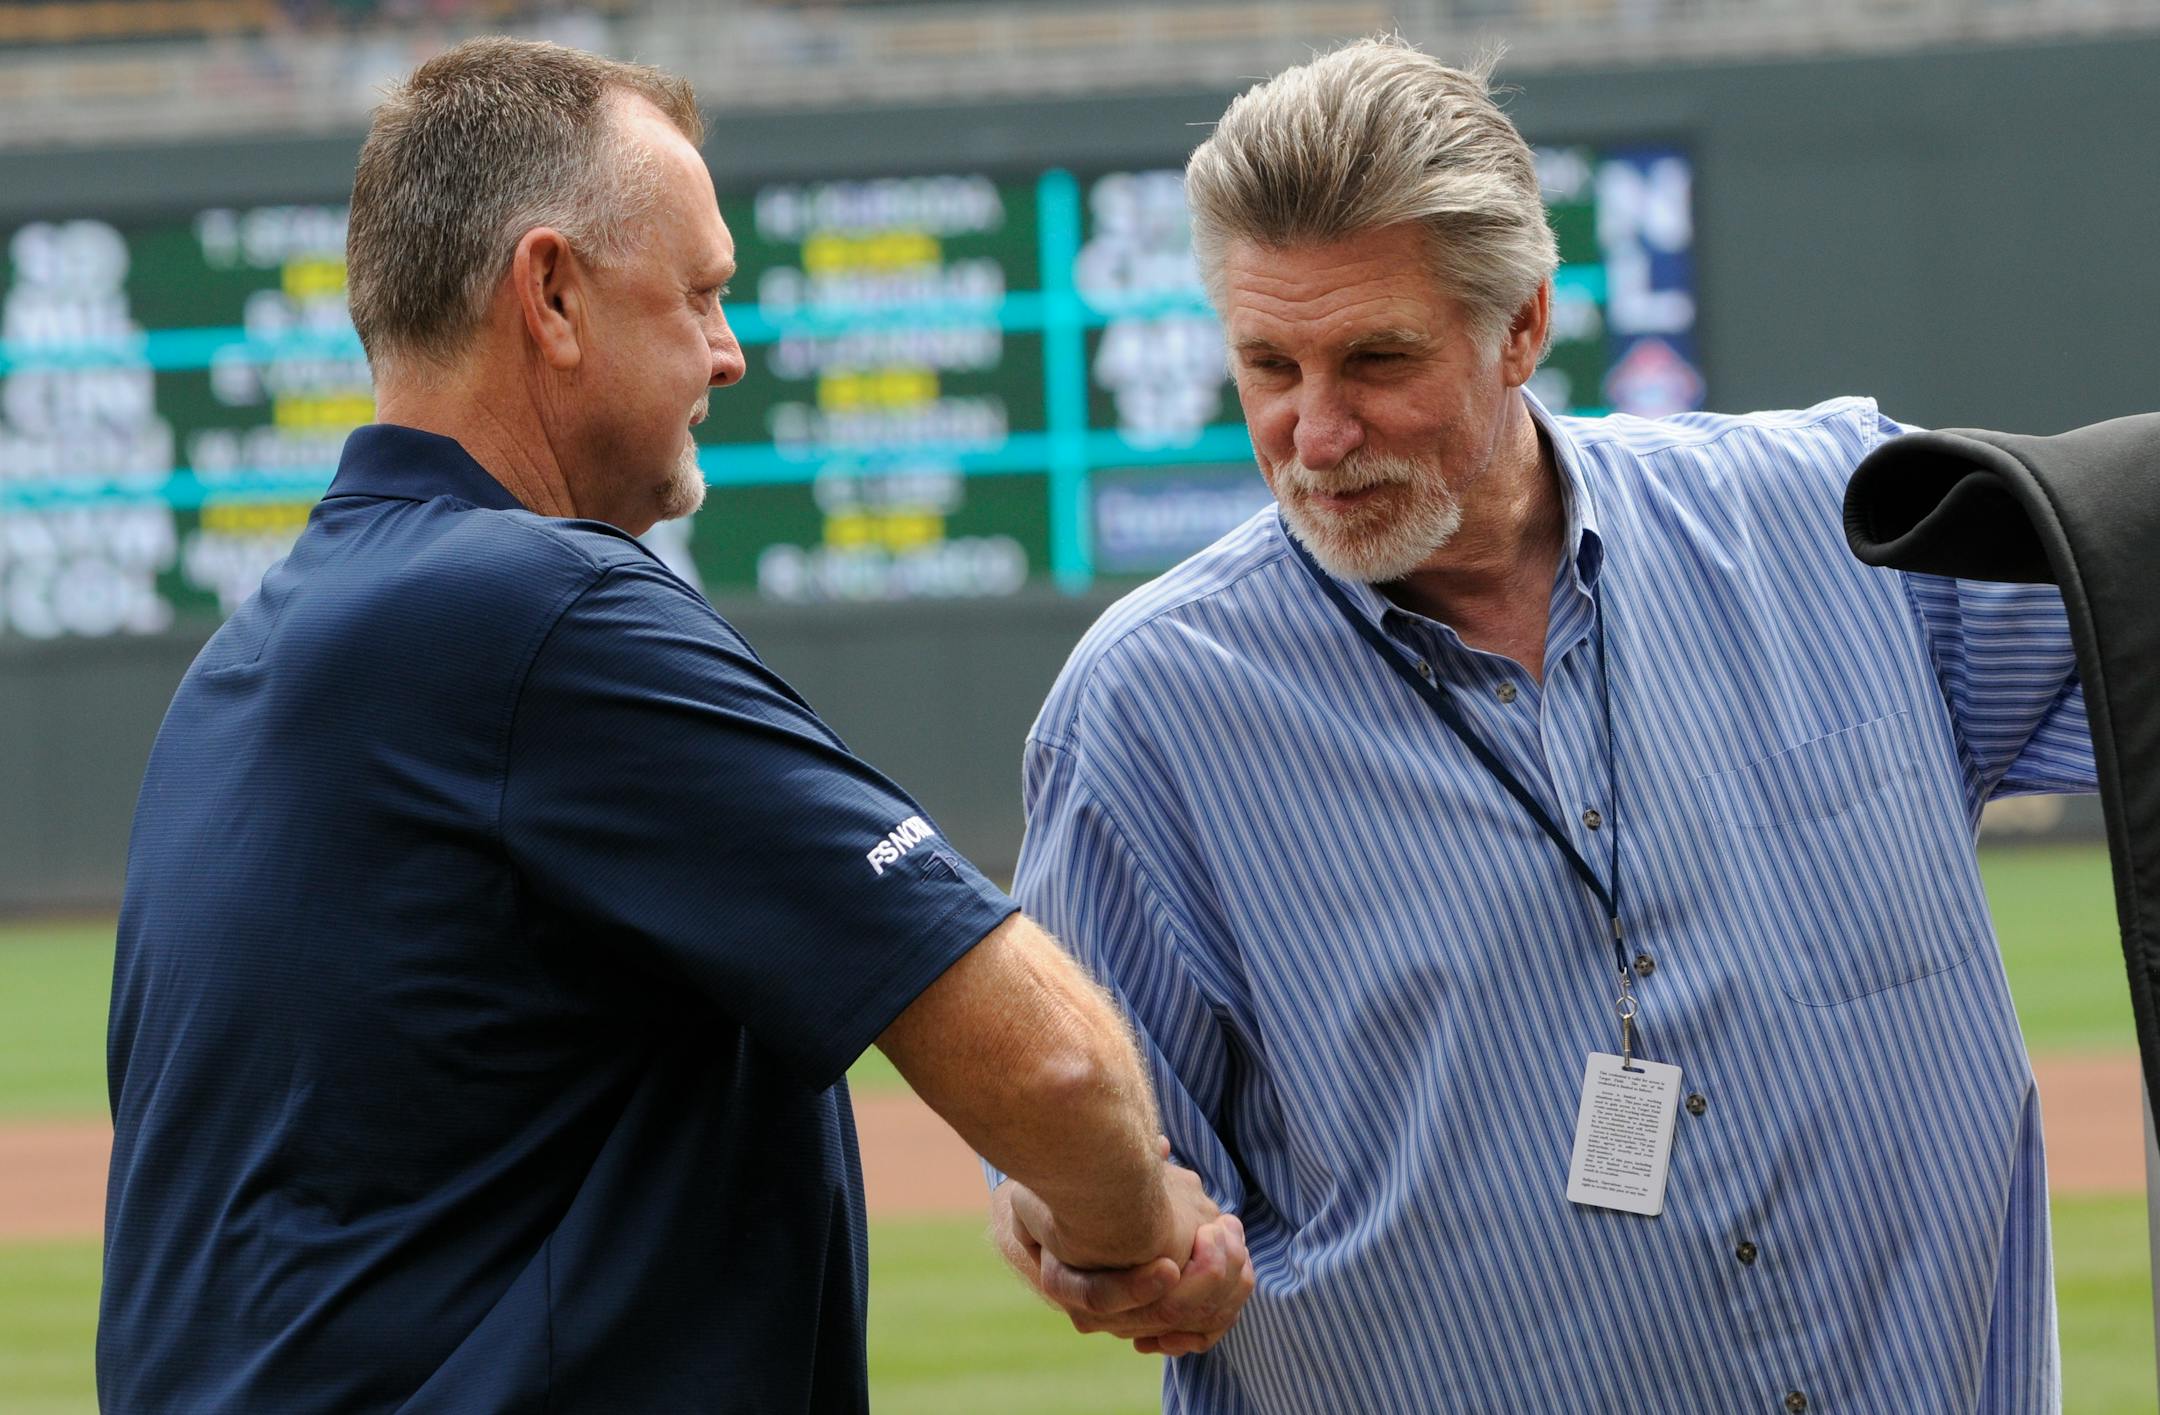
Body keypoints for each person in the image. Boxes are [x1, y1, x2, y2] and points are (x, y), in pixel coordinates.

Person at [98, 38, 1249, 1412]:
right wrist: (1139, 1234)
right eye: (699, 294)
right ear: (553, 294)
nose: (731, 351)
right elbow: (1049, 1061)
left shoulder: (247, 662)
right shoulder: (536, 605)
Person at [993, 35, 2097, 1414]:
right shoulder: (1148, 712)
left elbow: (2129, 621)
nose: (1314, 434)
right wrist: (1103, 1237)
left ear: (1521, 327)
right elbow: (1071, 1147)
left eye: (1374, 359)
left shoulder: (1837, 521)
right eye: (1268, 364)